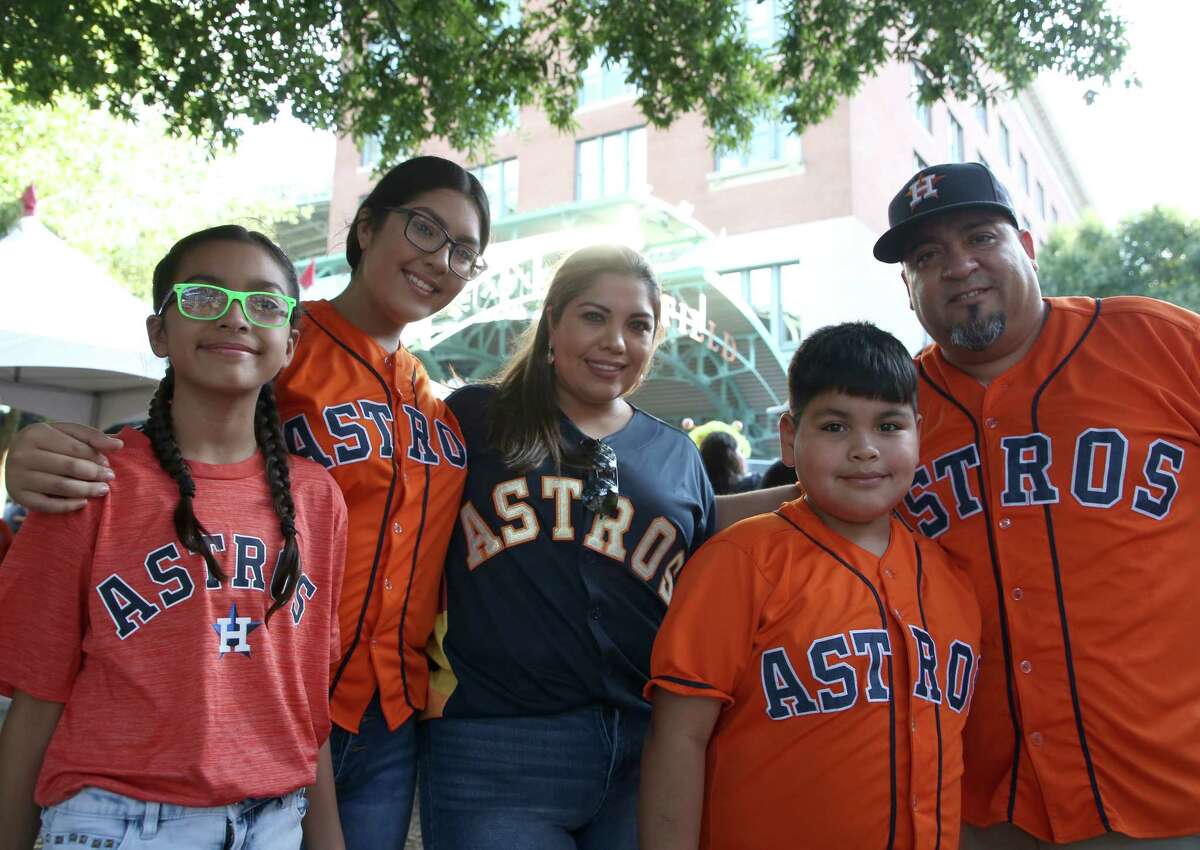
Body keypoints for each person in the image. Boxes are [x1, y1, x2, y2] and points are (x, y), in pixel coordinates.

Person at [1, 156, 492, 849]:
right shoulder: (275, 340)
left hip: (382, 715)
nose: (439, 258)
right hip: (220, 703)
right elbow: (180, 438)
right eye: (423, 228)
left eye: (463, 251)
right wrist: (34, 456)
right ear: (366, 227)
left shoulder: (434, 399)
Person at [874, 161, 1200, 848]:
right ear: (908, 290)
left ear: (1027, 245)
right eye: (927, 256)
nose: (959, 267)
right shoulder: (890, 410)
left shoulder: (1161, 342)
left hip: (1174, 790)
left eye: (981, 237)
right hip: (987, 808)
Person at [0, 226, 347, 850]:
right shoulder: (90, 479)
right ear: (159, 332)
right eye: (204, 296)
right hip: (117, 821)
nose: (237, 318)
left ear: (289, 342)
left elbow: (302, 703)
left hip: (275, 820)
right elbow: (37, 696)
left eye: (264, 302)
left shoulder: (318, 499)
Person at [639, 322, 981, 850]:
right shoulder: (739, 562)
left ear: (919, 432)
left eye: (889, 426)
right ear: (789, 440)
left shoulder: (952, 580)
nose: (865, 449)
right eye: (835, 427)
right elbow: (678, 738)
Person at [419, 245, 717, 850]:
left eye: (638, 325)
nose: (615, 340)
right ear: (553, 322)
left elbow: (712, 565)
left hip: (644, 749)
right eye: (593, 316)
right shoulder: (476, 418)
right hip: (497, 746)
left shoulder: (677, 456)